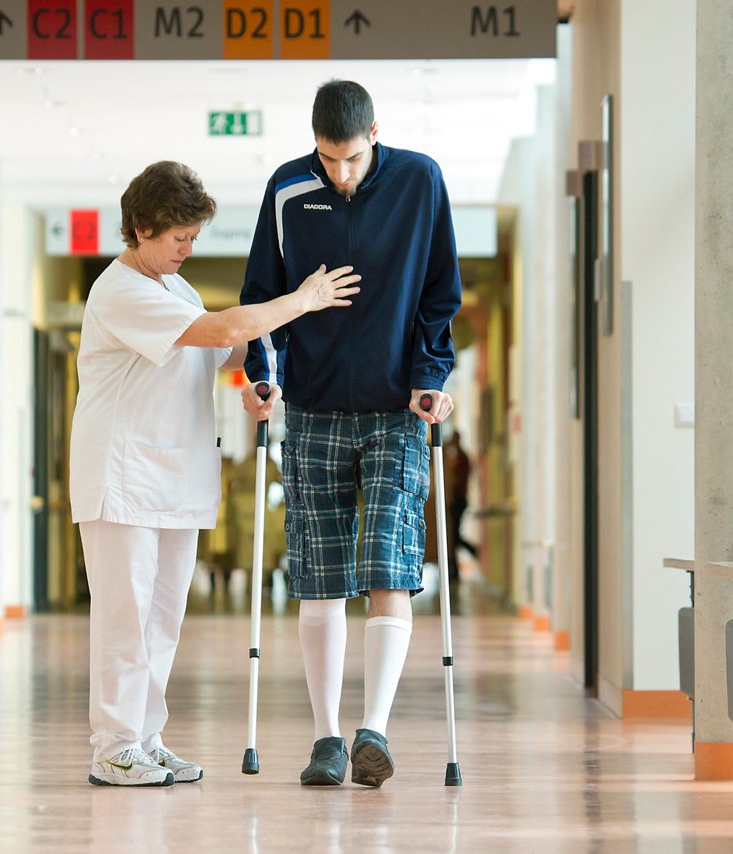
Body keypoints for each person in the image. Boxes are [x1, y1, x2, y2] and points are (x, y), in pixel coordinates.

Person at [69, 161, 361, 787]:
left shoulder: (180, 292)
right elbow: (227, 327)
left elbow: (227, 346)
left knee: (163, 620)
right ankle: (113, 745)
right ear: (141, 228)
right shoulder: (119, 289)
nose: (187, 248)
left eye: (194, 237)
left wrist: (257, 380)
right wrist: (301, 299)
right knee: (126, 620)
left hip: (174, 478)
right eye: (179, 236)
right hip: (121, 482)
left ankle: (145, 739)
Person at [240, 81, 462, 788]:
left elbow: (438, 294)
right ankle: (327, 738)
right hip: (310, 407)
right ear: (315, 142)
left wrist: (431, 374)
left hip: (398, 409)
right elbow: (260, 297)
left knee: (388, 564)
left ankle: (376, 729)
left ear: (376, 133)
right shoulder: (286, 188)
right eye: (328, 159)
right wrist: (261, 372)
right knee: (321, 572)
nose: (340, 173)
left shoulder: (420, 181)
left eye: (353, 158)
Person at [443, 430, 479, 582]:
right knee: (452, 536)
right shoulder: (457, 456)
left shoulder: (461, 458)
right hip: (457, 499)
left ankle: (474, 551)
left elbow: (457, 479)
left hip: (459, 500)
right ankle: (454, 569)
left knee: (453, 536)